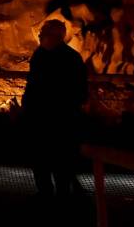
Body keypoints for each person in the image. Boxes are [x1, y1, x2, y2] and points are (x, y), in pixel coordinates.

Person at [22, 19, 88, 198]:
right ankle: (55, 195)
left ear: (53, 36)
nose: (40, 34)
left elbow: (35, 86)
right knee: (53, 160)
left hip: (54, 119)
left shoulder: (45, 56)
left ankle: (52, 196)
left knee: (50, 160)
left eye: (43, 31)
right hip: (57, 118)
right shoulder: (69, 57)